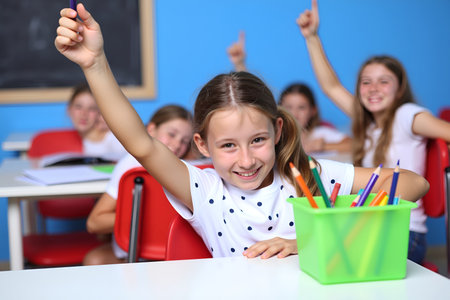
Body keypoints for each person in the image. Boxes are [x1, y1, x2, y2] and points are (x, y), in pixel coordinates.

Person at [55, 4, 429, 259]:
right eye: (229, 145)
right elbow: (140, 143)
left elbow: (414, 184)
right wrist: (95, 64)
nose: (247, 160)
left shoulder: (309, 176)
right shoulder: (203, 189)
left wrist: (309, 240)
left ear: (278, 130)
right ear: (202, 144)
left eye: (258, 140)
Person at [297, 0, 450, 264]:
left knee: (329, 256)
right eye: (365, 82)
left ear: (399, 89)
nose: (373, 88)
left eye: (384, 81)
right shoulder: (366, 122)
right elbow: (331, 87)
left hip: (404, 230)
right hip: (370, 224)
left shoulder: (406, 115)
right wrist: (311, 37)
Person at [83, 105, 194, 265]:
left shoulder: (189, 169)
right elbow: (95, 223)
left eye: (185, 141)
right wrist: (147, 217)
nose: (177, 145)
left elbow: (94, 223)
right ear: (151, 129)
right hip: (157, 257)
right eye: (171, 134)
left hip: (158, 258)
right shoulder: (131, 165)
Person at [227, 32, 352, 154]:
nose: (295, 114)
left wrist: (325, 146)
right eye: (288, 107)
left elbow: (356, 144)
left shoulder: (321, 134)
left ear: (313, 110)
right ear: (278, 109)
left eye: (301, 107)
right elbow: (253, 100)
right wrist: (240, 65)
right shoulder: (276, 136)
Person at [68, 83, 127, 161]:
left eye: (91, 108)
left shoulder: (113, 138)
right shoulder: (75, 142)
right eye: (78, 107)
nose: (84, 114)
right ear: (69, 110)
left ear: (99, 113)